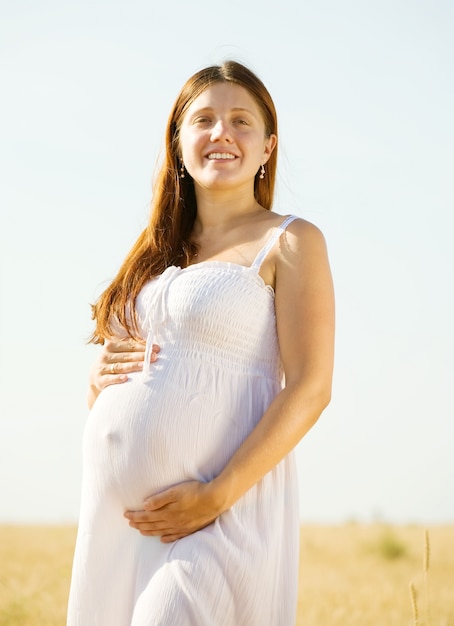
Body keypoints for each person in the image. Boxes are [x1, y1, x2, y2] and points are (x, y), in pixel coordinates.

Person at [67, 60, 335, 626]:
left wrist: (217, 496)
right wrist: (98, 380)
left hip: (220, 514)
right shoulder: (153, 254)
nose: (221, 133)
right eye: (204, 120)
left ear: (267, 147)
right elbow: (122, 378)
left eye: (241, 121)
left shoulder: (289, 241)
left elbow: (311, 388)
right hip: (121, 522)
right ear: (179, 143)